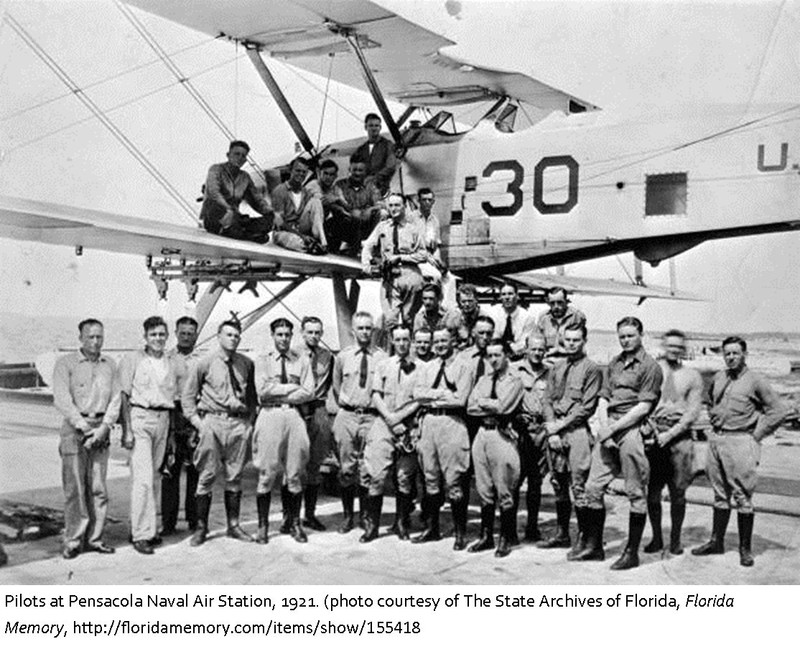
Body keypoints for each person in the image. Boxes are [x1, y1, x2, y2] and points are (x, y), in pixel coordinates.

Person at [692, 336, 786, 567]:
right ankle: (717, 542)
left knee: (743, 496)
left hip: (741, 440)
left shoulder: (756, 380)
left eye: (735, 353)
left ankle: (745, 548)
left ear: (745, 354)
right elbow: (709, 400)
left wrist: (757, 434)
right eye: (727, 353)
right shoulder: (719, 377)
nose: (731, 357)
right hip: (718, 440)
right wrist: (713, 418)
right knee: (719, 494)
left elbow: (778, 410)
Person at [581, 316, 663, 570]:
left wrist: (614, 429)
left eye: (630, 335)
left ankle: (631, 552)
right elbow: (604, 397)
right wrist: (604, 428)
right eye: (622, 336)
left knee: (635, 492)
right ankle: (595, 546)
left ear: (641, 335)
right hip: (610, 427)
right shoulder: (615, 363)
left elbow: (644, 406)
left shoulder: (651, 367)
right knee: (592, 487)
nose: (626, 340)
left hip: (632, 429)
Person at [182, 318, 257, 547]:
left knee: (235, 477)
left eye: (236, 335)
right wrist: (198, 423)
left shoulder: (246, 363)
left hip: (237, 425)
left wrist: (249, 424)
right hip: (212, 423)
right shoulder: (204, 363)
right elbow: (187, 398)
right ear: (218, 336)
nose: (233, 339)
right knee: (206, 476)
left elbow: (252, 398)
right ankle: (201, 528)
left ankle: (233, 525)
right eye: (228, 335)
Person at [52, 319, 121, 559]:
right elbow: (61, 399)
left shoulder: (110, 365)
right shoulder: (66, 364)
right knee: (75, 488)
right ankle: (73, 540)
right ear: (80, 338)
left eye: (99, 337)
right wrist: (84, 428)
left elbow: (116, 400)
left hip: (101, 428)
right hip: (74, 429)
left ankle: (95, 538)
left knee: (98, 488)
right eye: (90, 337)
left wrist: (103, 428)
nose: (95, 341)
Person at [119, 316, 186, 555]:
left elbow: (176, 397)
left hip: (163, 419)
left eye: (161, 334)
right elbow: (124, 397)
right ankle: (141, 535)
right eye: (153, 334)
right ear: (145, 337)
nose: (158, 338)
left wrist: (171, 434)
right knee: (143, 479)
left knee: (154, 477)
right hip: (140, 418)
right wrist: (126, 430)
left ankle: (146, 528)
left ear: (167, 336)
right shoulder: (133, 360)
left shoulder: (171, 362)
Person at [541, 323, 602, 557]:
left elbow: (586, 408)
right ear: (562, 340)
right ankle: (562, 534)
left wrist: (560, 426)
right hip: (556, 433)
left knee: (579, 486)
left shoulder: (591, 369)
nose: (572, 343)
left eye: (577, 340)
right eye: (568, 339)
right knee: (558, 483)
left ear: (584, 341)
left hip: (576, 433)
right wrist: (552, 431)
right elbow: (546, 400)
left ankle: (584, 539)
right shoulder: (556, 368)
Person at [252, 318, 315, 544]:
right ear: (273, 335)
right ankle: (263, 526)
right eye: (279, 334)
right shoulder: (262, 360)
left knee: (295, 471)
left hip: (294, 416)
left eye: (288, 334)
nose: (284, 339)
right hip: (269, 415)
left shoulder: (302, 360)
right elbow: (262, 391)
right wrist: (291, 388)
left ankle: (294, 523)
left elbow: (309, 391)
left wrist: (279, 391)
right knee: (266, 472)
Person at [413, 327, 474, 549]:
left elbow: (460, 400)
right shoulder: (428, 367)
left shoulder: (463, 367)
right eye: (436, 341)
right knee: (430, 479)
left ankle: (460, 533)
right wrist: (441, 395)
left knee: (455, 481)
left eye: (444, 341)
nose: (439, 345)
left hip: (452, 424)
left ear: (453, 342)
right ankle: (432, 529)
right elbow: (418, 394)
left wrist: (432, 397)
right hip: (429, 424)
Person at [644, 329, 702, 556]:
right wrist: (650, 430)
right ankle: (657, 538)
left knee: (678, 492)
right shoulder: (652, 370)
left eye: (679, 347)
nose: (674, 350)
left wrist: (672, 433)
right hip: (654, 435)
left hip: (679, 438)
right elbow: (643, 402)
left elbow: (693, 412)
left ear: (684, 349)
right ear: (663, 346)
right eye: (671, 346)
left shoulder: (692, 376)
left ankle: (675, 539)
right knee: (652, 491)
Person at [362, 325, 423, 542]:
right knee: (376, 475)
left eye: (406, 339)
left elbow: (419, 399)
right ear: (392, 341)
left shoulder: (421, 367)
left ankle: (401, 522)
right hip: (383, 422)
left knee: (404, 477)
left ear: (411, 340)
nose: (402, 343)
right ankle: (372, 526)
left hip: (409, 425)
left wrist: (399, 419)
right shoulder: (382, 365)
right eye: (398, 339)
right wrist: (389, 418)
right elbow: (376, 395)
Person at [331, 312, 388, 533]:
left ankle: (366, 517)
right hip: (347, 416)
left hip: (372, 417)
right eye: (361, 328)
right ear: (353, 331)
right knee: (346, 468)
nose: (365, 332)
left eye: (368, 328)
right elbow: (336, 384)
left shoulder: (381, 357)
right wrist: (345, 403)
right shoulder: (343, 357)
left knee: (368, 469)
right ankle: (347, 516)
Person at [467, 339, 524, 558]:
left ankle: (505, 538)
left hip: (503, 434)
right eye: (489, 355)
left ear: (506, 355)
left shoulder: (514, 379)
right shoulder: (483, 379)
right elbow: (471, 407)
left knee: (504, 489)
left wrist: (486, 402)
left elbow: (504, 407)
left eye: (497, 355)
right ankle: (486, 536)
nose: (493, 359)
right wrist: (490, 403)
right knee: (484, 488)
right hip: (482, 434)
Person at [361, 193, 427, 330]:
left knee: (410, 320)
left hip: (411, 275)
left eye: (397, 205)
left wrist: (402, 257)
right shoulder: (382, 227)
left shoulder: (413, 228)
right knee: (390, 320)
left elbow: (423, 254)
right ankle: (391, 350)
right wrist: (366, 265)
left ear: (404, 207)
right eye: (390, 205)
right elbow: (368, 245)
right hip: (390, 277)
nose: (393, 209)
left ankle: (410, 349)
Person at [161, 316, 200, 536]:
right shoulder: (166, 358)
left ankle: (195, 520)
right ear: (176, 333)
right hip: (172, 414)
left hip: (194, 414)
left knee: (196, 469)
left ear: (196, 335)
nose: (186, 337)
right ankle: (168, 523)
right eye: (182, 333)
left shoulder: (202, 360)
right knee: (170, 470)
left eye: (190, 333)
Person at [510, 334, 550, 543]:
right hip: (519, 431)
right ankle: (510, 530)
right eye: (533, 349)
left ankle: (532, 527)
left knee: (536, 482)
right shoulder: (513, 369)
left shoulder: (550, 372)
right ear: (526, 349)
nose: (537, 353)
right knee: (515, 481)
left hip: (541, 430)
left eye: (541, 350)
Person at [297, 316, 334, 531]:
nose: (314, 336)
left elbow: (332, 384)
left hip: (318, 408)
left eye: (317, 332)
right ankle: (289, 517)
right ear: (302, 332)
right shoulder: (293, 354)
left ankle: (309, 514)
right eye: (310, 332)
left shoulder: (327, 356)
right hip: (298, 408)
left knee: (315, 464)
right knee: (293, 464)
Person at [200, 140, 273, 242]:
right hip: (215, 215)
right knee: (217, 208)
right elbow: (214, 193)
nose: (240, 158)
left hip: (235, 219)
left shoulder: (245, 177)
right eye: (237, 154)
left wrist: (271, 213)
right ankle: (247, 235)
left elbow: (256, 199)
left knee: (268, 222)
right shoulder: (216, 169)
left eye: (243, 156)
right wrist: (228, 209)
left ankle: (240, 232)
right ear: (228, 155)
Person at [271, 157, 328, 253]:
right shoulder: (279, 191)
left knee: (316, 201)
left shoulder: (306, 192)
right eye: (298, 171)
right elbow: (279, 223)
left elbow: (315, 214)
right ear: (290, 170)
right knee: (293, 240)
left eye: (304, 172)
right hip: (284, 231)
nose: (301, 174)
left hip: (300, 228)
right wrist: (301, 236)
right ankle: (309, 246)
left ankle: (322, 242)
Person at [334, 158, 384, 250]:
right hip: (346, 218)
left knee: (382, 213)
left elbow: (380, 204)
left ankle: (372, 244)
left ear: (365, 172)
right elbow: (339, 202)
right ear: (349, 170)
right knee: (354, 214)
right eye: (354, 170)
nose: (357, 173)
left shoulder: (370, 186)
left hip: (366, 218)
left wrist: (370, 209)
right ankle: (347, 244)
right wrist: (353, 211)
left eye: (360, 170)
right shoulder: (340, 184)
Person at [351, 112, 396, 194]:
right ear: (366, 127)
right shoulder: (360, 149)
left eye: (376, 126)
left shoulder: (387, 145)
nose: (374, 128)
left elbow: (390, 166)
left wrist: (375, 178)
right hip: (364, 188)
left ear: (380, 127)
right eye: (371, 125)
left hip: (382, 188)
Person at [536, 287, 587, 359]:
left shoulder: (576, 316)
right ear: (548, 303)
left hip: (570, 359)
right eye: (552, 303)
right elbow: (538, 342)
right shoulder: (543, 318)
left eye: (560, 302)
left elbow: (580, 347)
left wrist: (559, 350)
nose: (556, 306)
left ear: (566, 302)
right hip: (548, 360)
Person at [491, 283, 535, 360]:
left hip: (520, 358)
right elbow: (493, 339)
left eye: (510, 294)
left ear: (517, 295)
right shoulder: (494, 315)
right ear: (500, 297)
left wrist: (508, 345)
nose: (507, 297)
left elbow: (524, 345)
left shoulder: (527, 317)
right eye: (503, 294)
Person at [412, 187, 447, 285]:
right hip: (416, 258)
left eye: (429, 200)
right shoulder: (411, 218)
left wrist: (438, 261)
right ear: (418, 201)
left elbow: (436, 245)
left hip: (430, 257)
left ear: (433, 202)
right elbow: (410, 245)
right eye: (424, 200)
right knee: (436, 276)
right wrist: (427, 257)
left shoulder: (435, 221)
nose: (427, 202)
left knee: (449, 278)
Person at [453, 283, 488, 348]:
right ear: (459, 302)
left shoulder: (484, 318)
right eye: (463, 301)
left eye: (470, 301)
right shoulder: (455, 318)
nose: (467, 304)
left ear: (476, 300)